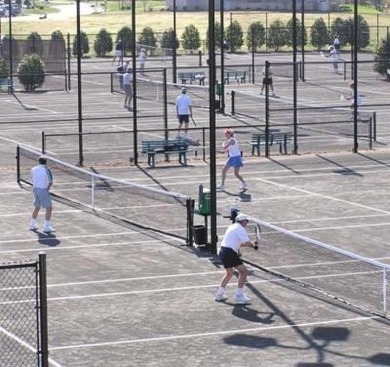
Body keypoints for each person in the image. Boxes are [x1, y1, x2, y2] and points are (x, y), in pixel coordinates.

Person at [214, 213, 259, 304]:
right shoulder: (240, 229)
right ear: (243, 221)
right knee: (244, 272)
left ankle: (219, 294)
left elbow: (240, 244)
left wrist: (252, 245)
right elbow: (246, 242)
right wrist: (254, 245)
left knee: (229, 273)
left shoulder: (232, 226)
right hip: (230, 253)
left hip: (223, 251)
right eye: (246, 221)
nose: (247, 223)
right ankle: (239, 296)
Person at [217, 128, 248, 192]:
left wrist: (223, 145)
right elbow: (227, 149)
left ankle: (244, 183)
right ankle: (222, 185)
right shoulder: (229, 141)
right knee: (224, 170)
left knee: (236, 174)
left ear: (229, 134)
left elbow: (225, 147)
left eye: (226, 134)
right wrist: (222, 151)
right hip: (231, 157)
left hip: (236, 157)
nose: (225, 135)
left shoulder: (232, 140)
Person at [29, 156, 55, 232]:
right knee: (49, 208)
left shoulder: (33, 169)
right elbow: (50, 182)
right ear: (46, 162)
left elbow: (32, 179)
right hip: (43, 190)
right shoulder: (47, 170)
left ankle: (32, 224)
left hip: (35, 189)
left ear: (39, 161)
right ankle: (46, 227)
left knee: (37, 207)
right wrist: (47, 189)